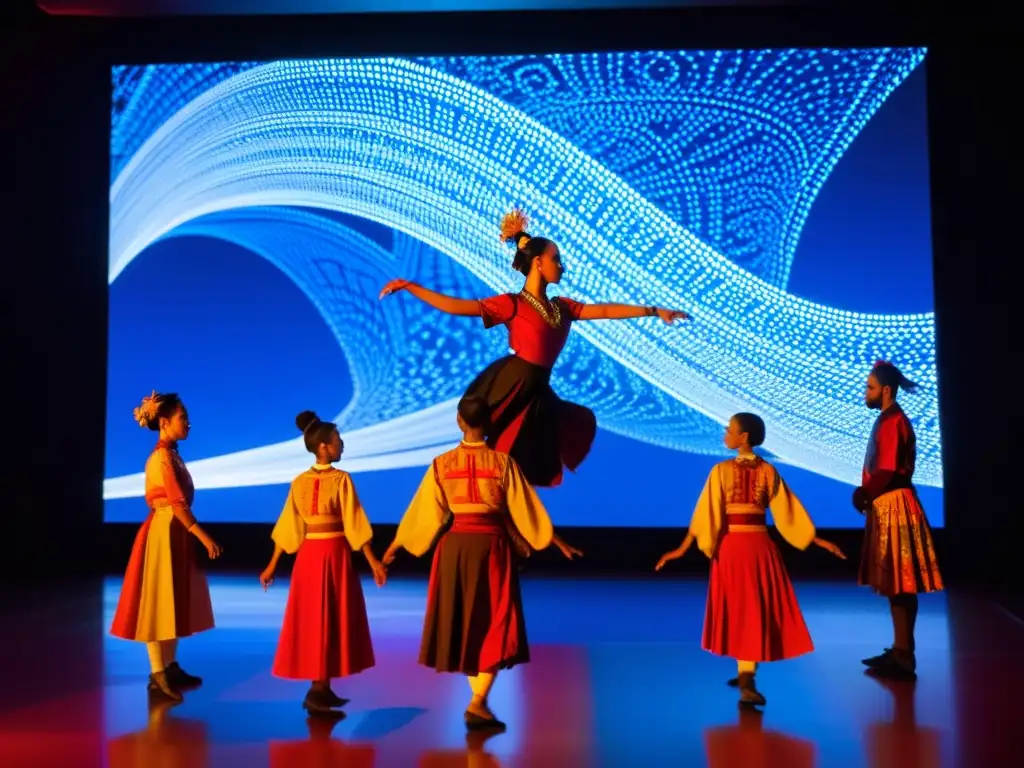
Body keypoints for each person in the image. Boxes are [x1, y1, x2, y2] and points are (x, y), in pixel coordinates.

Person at [379, 208, 688, 521]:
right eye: (556, 259)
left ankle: (505, 522)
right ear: (538, 263)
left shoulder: (563, 308)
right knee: (493, 451)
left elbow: (605, 310)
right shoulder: (513, 304)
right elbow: (459, 307)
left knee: (528, 455)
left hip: (537, 389)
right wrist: (411, 287)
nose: (562, 266)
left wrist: (653, 310)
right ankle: (460, 512)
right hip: (512, 382)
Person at [381, 396, 577, 730]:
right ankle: (477, 702)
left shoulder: (442, 464)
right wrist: (550, 538)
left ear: (460, 422)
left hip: (455, 548)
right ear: (488, 424)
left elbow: (423, 514)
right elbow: (526, 512)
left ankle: (479, 703)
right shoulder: (502, 464)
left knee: (468, 622)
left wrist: (395, 545)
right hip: (491, 548)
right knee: (492, 621)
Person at [655, 412, 846, 706]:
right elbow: (785, 511)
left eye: (729, 430)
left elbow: (708, 516)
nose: (725, 434)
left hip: (740, 548)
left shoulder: (728, 470)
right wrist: (679, 549)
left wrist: (815, 539)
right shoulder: (756, 471)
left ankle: (747, 677)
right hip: (751, 547)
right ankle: (746, 671)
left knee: (746, 610)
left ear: (744, 437)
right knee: (750, 609)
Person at [260, 411, 387, 714]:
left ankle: (323, 687)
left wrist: (273, 564)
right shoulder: (339, 480)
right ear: (324, 448)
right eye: (338, 441)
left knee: (322, 619)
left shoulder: (300, 482)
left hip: (312, 557)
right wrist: (374, 562)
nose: (342, 445)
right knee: (326, 618)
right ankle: (318, 690)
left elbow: (288, 527)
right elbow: (354, 524)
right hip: (329, 554)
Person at [110, 391, 222, 702]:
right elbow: (176, 502)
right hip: (163, 532)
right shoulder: (162, 458)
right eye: (182, 418)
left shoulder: (172, 454)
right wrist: (203, 535)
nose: (188, 423)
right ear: (164, 422)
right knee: (158, 602)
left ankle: (170, 667)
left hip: (175, 532)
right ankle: (157, 674)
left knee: (173, 600)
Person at [854, 361, 943, 678]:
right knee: (897, 584)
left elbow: (889, 469)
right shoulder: (888, 419)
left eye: (870, 387)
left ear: (886, 391)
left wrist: (864, 493)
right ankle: (901, 649)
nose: (866, 392)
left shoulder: (893, 421)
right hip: (889, 503)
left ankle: (904, 654)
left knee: (902, 583)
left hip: (895, 504)